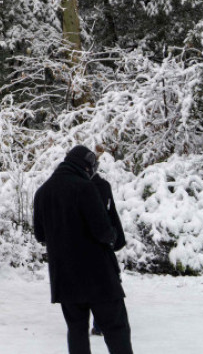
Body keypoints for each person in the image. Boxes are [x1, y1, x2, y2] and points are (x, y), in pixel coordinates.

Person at [33, 145, 134, 354]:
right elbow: (103, 231)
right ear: (87, 165)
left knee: (76, 330)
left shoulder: (42, 192)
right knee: (116, 328)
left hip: (64, 275)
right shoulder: (85, 188)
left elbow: (40, 235)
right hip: (98, 274)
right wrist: (114, 236)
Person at [90, 163, 127, 338]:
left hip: (93, 242)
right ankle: (100, 324)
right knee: (105, 285)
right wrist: (116, 237)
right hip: (104, 243)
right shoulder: (103, 185)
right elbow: (111, 213)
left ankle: (98, 325)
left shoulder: (81, 187)